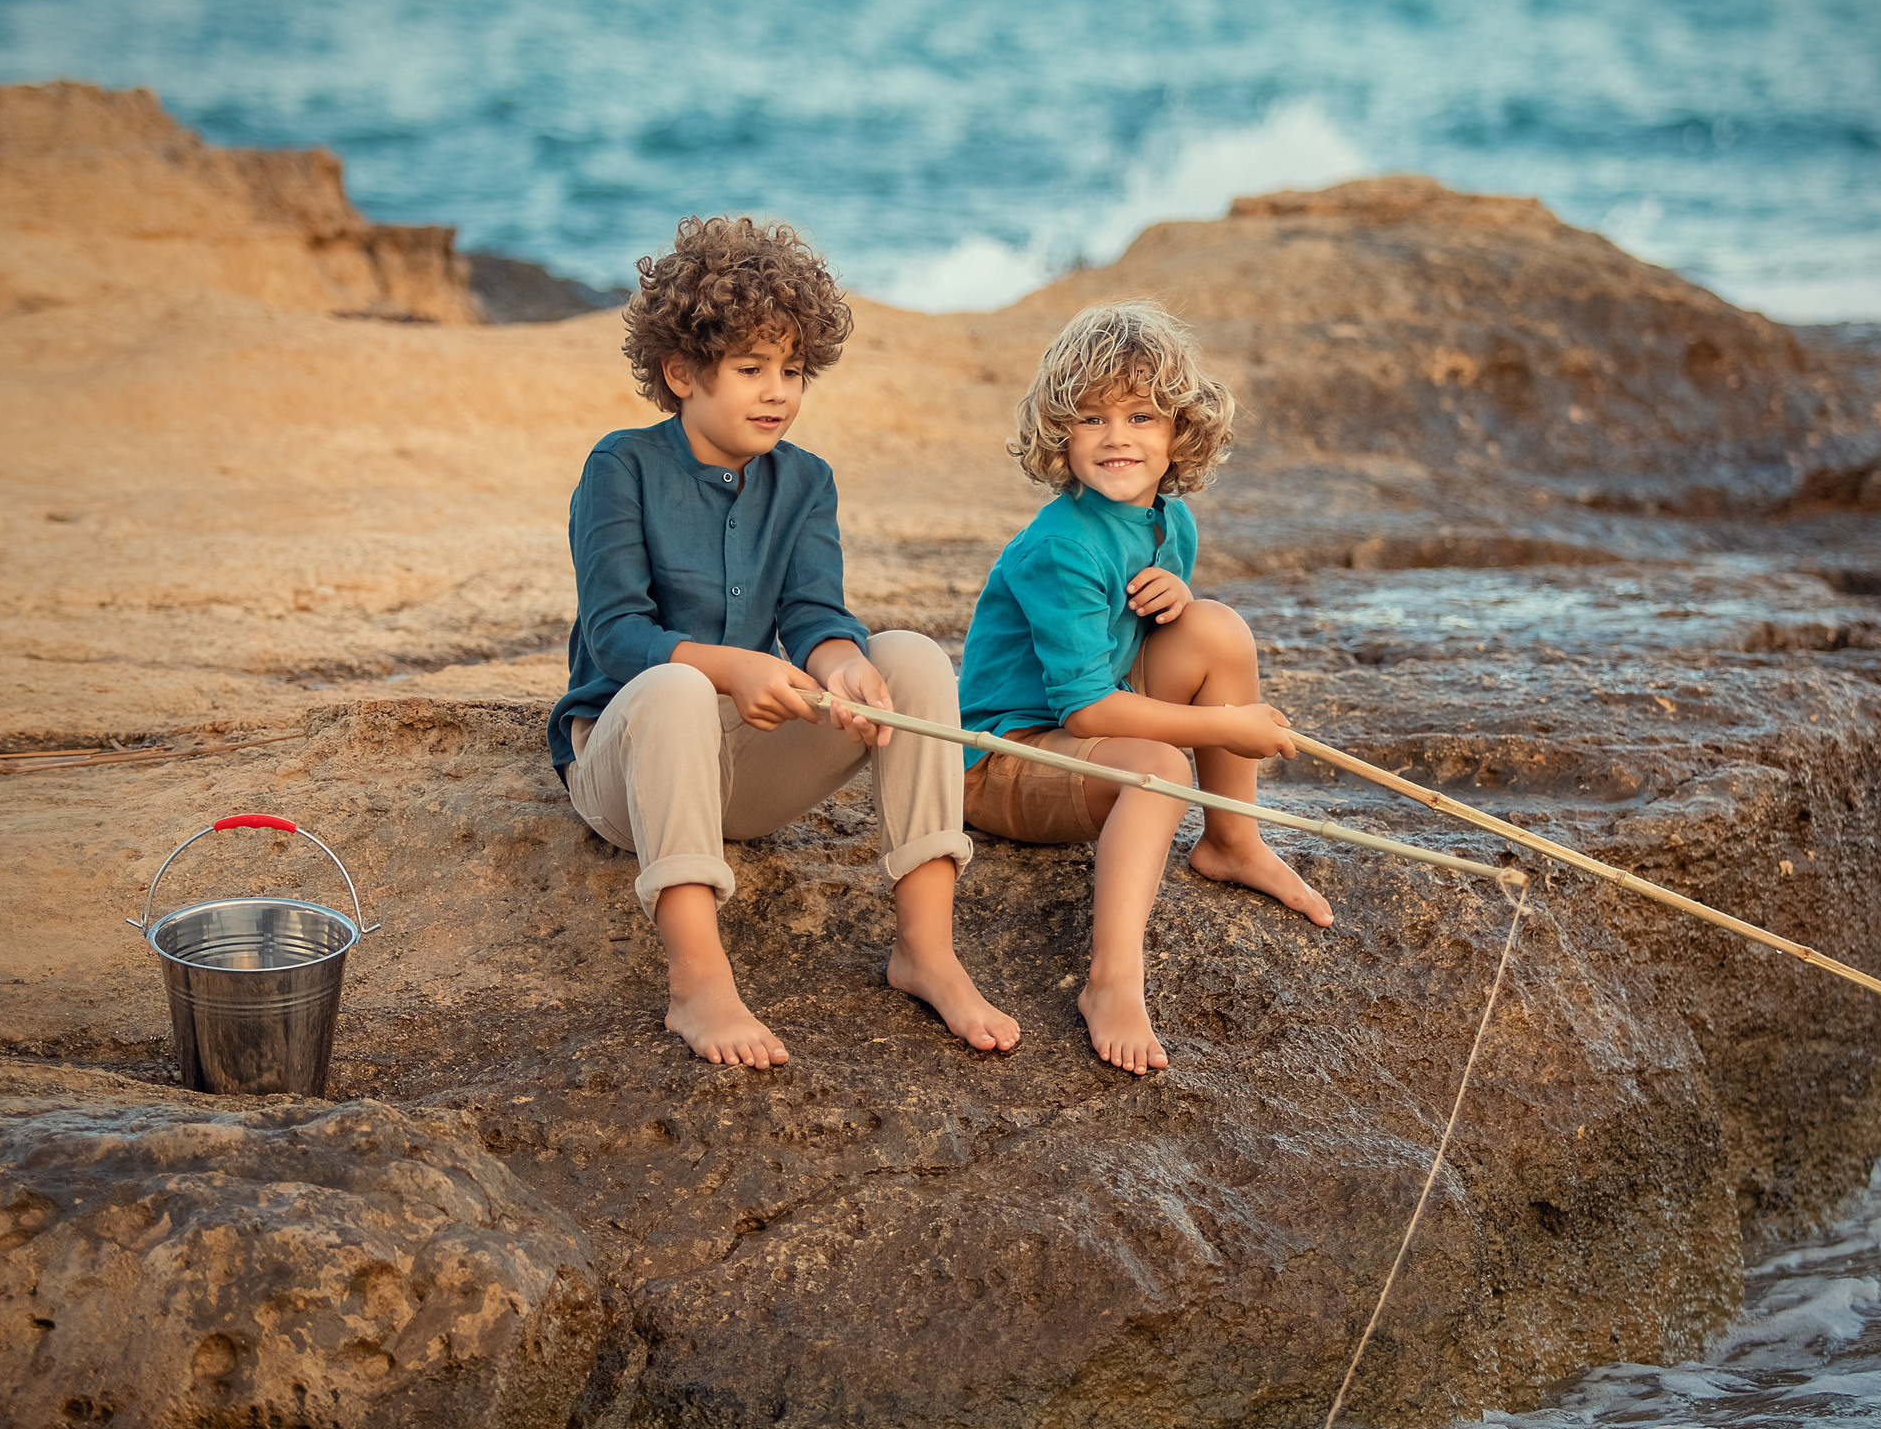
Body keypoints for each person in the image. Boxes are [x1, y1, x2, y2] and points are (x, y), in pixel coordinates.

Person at [547, 215, 1017, 1068]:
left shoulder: (805, 480)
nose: (777, 392)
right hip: (630, 771)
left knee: (909, 656)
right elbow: (615, 638)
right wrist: (734, 667)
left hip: (744, 775)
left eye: (792, 370)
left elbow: (812, 615)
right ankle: (698, 981)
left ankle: (926, 949)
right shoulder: (619, 467)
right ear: (681, 371)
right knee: (679, 687)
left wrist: (842, 664)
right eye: (750, 368)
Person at [955, 302, 1332, 1076]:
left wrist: (1176, 597)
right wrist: (1227, 726)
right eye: (1091, 418)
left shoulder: (1170, 520)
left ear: (1179, 432)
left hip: (1083, 728)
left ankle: (1231, 842)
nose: (1116, 437)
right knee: (1159, 767)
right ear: (1060, 434)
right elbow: (1087, 708)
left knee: (1217, 627)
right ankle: (1112, 981)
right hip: (1002, 755)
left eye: (1140, 416)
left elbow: (1142, 646)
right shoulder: (1061, 545)